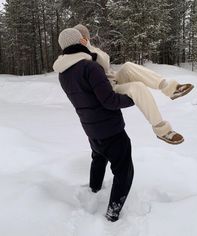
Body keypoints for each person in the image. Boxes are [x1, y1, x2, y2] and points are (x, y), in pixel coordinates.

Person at [53, 28, 135, 222]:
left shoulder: (63, 73)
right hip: (110, 129)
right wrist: (133, 98)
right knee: (124, 169)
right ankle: (113, 212)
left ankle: (94, 189)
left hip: (91, 128)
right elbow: (109, 100)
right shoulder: (89, 67)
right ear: (81, 42)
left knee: (98, 157)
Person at [73, 24, 194, 145]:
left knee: (128, 66)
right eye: (81, 37)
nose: (84, 39)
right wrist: (87, 47)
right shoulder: (76, 55)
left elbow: (105, 59)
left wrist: (89, 47)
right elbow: (100, 64)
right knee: (138, 87)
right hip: (108, 88)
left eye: (85, 37)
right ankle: (162, 130)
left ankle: (170, 88)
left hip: (113, 78)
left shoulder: (90, 48)